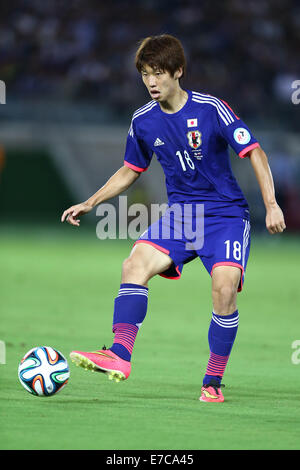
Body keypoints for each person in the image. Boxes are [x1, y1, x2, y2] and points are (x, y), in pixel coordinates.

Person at [61, 34, 286, 402]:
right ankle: (119, 354)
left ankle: (212, 382)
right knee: (134, 264)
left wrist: (272, 204)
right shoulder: (143, 121)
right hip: (182, 217)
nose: (152, 81)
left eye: (159, 73)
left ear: (178, 71)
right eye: (146, 74)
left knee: (224, 289)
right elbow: (130, 169)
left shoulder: (212, 108)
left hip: (225, 215)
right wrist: (92, 201)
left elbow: (255, 152)